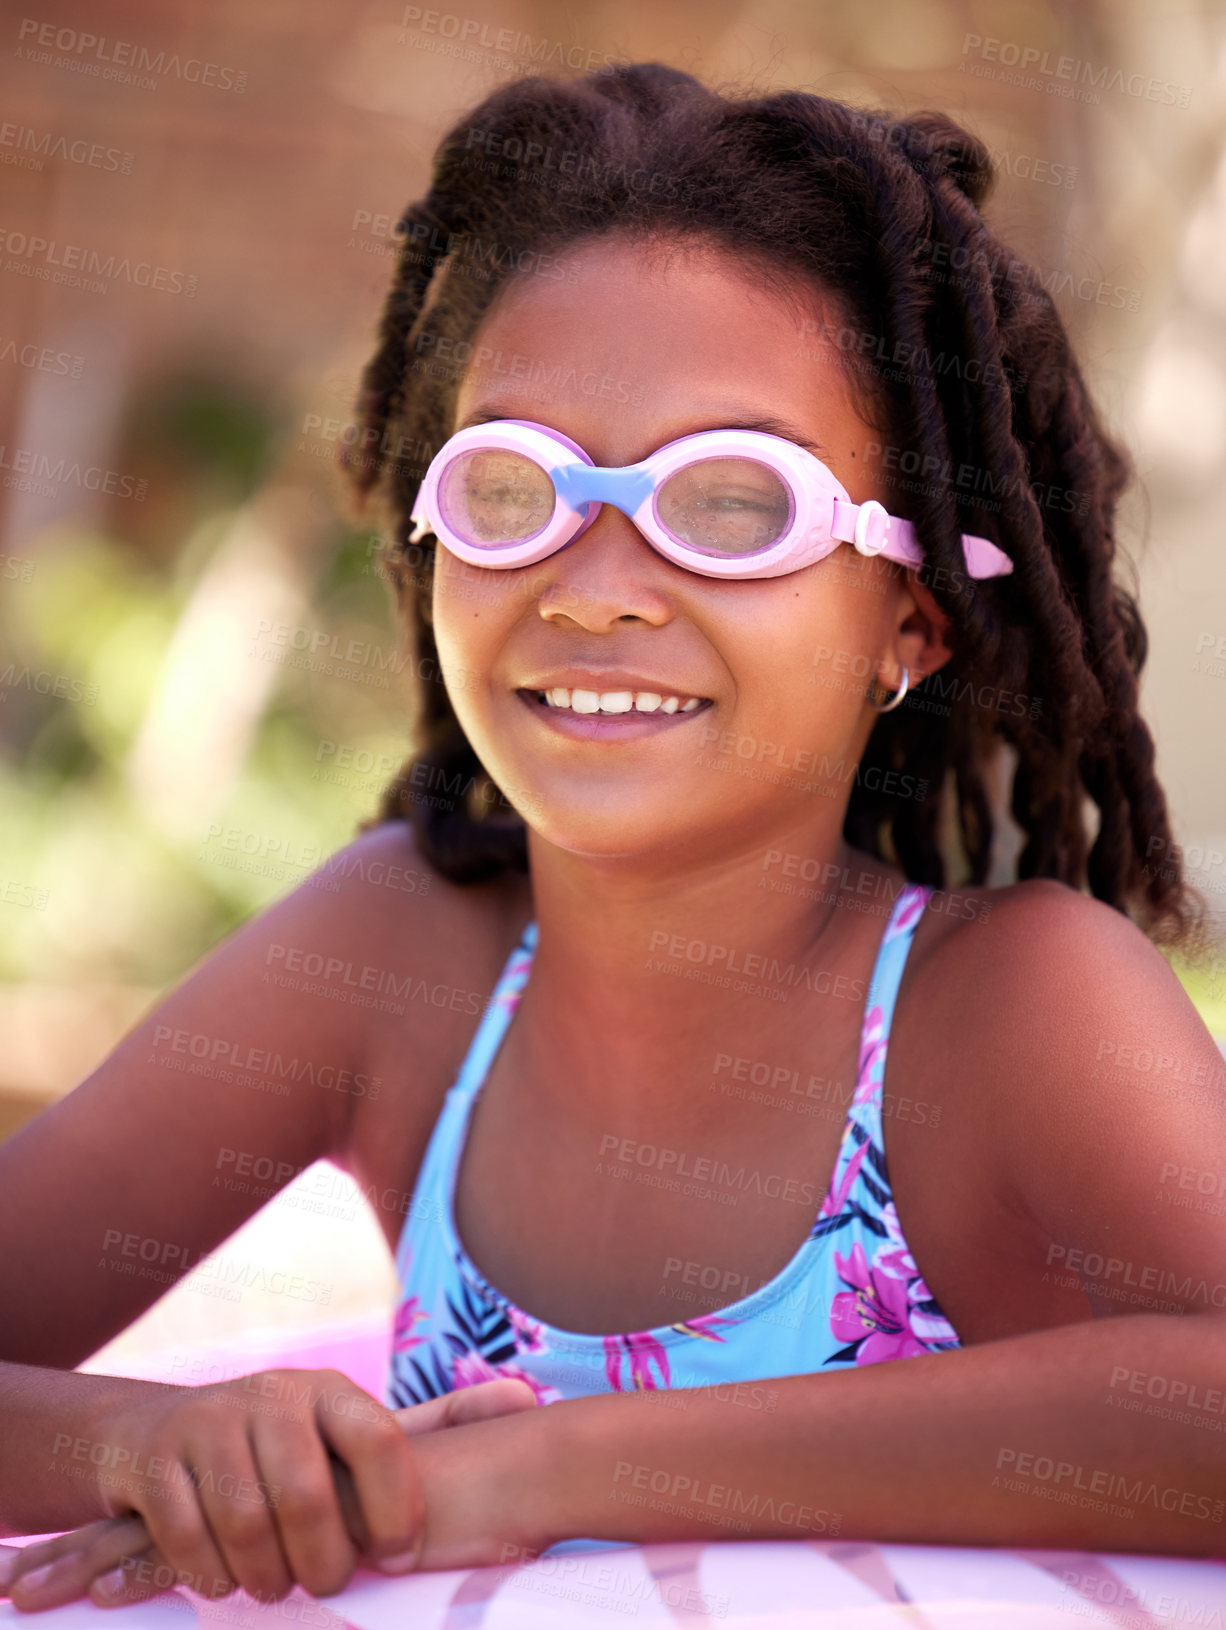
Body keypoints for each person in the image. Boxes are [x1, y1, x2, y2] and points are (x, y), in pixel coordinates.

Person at [3, 59, 1225, 1612]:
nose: (595, 583)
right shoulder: (402, 953)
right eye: (511, 489)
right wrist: (157, 1441)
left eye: (729, 503)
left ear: (909, 617)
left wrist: (533, 1466)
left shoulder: (1007, 1005)